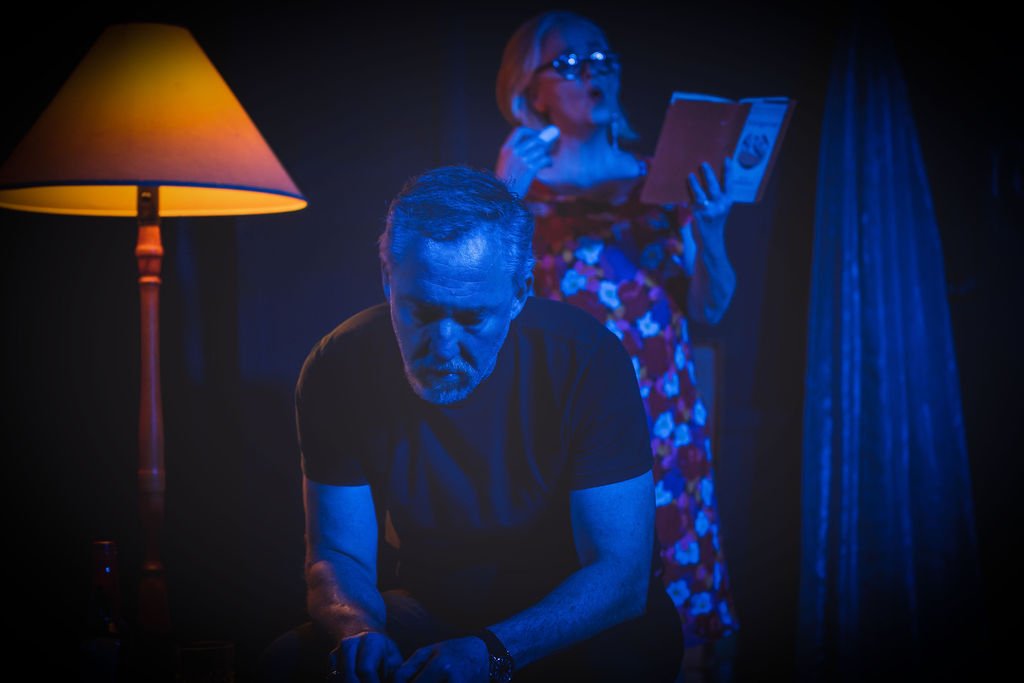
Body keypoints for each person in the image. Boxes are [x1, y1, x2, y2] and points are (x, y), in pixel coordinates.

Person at [258, 165, 684, 682]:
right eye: (420, 312)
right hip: (436, 605)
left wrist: (491, 652)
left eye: (470, 318)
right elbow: (337, 553)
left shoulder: (586, 359)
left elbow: (620, 576)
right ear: (388, 280)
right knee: (289, 661)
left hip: (576, 616)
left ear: (520, 293)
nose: (442, 347)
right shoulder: (337, 365)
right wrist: (359, 632)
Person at [493, 9, 741, 664]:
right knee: (581, 600)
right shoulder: (520, 193)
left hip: (664, 417)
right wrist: (504, 193)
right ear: (532, 91)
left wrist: (711, 228)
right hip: (565, 422)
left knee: (676, 594)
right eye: (570, 63)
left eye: (602, 57)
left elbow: (712, 306)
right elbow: (484, 303)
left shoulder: (665, 181)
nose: (592, 72)